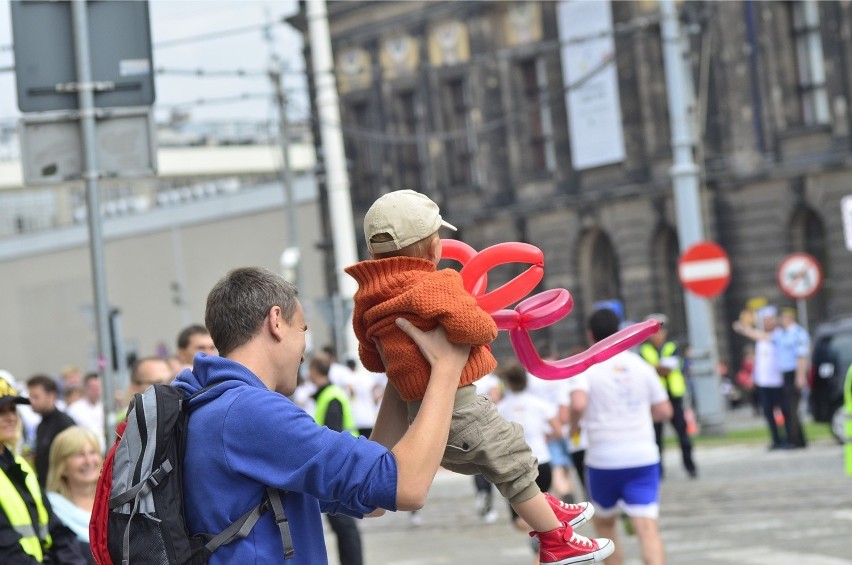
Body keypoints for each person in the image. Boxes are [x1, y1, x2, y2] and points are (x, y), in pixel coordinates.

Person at [344, 189, 612, 564]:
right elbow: (480, 330)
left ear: (373, 254)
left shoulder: (366, 300)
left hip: (420, 417)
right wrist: (464, 306)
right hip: (460, 406)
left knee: (503, 460)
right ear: (435, 249)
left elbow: (372, 359)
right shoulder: (438, 285)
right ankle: (555, 540)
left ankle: (548, 510)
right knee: (511, 459)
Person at [172, 266, 471, 564]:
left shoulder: (210, 404)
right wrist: (447, 367)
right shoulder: (248, 412)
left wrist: (397, 371)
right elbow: (408, 486)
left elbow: (375, 501)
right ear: (276, 321)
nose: (304, 354)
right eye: (303, 329)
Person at [568, 308, 673, 565]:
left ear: (590, 335)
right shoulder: (642, 366)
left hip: (603, 458)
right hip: (642, 456)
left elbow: (579, 404)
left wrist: (573, 427)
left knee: (605, 525)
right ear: (620, 331)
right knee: (647, 528)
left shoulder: (586, 367)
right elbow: (664, 410)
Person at [0, 376, 88, 564]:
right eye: (1, 411)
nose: (10, 417)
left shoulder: (19, 465)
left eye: (13, 409)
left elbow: (55, 527)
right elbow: (6, 551)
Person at [496, 363, 563, 563]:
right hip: (542, 462)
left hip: (516, 466)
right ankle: (545, 534)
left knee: (519, 520)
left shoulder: (500, 409)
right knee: (541, 507)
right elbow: (559, 432)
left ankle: (541, 539)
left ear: (507, 383)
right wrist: (546, 435)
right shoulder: (540, 404)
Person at [307, 354, 364, 565]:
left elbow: (334, 436)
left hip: (338, 467)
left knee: (344, 525)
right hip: (339, 465)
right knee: (342, 525)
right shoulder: (326, 394)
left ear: (314, 370)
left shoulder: (331, 396)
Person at [639, 314, 698, 479]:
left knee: (683, 435)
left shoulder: (673, 346)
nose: (657, 335)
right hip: (654, 399)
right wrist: (659, 368)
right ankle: (658, 472)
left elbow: (668, 368)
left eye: (659, 331)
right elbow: (654, 370)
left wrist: (655, 368)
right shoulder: (644, 350)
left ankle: (690, 466)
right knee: (656, 439)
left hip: (673, 395)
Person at [733, 306, 793, 449]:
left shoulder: (780, 335)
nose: (767, 323)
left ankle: (788, 438)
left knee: (784, 412)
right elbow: (759, 362)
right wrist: (754, 378)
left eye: (769, 320)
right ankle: (776, 440)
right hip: (764, 382)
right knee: (768, 413)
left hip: (777, 381)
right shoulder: (760, 340)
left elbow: (762, 336)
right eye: (764, 321)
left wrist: (744, 329)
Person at [45, 426, 102, 564]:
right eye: (79, 455)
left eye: (93, 452)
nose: (89, 461)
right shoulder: (51, 509)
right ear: (62, 466)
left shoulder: (115, 503)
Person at [26, 375, 76, 487]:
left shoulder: (65, 424)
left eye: (36, 397)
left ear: (52, 396)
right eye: (30, 397)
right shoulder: (41, 425)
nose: (31, 401)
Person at [775, 307, 810, 448]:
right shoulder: (783, 334)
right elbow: (767, 337)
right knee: (788, 408)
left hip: (794, 373)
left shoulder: (798, 334)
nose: (781, 320)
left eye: (783, 317)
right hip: (786, 374)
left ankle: (795, 440)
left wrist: (800, 376)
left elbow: (801, 357)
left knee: (792, 409)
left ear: (789, 318)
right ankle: (798, 439)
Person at [65, 373, 105, 454]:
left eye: (98, 388)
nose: (96, 391)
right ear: (85, 389)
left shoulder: (103, 408)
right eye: (93, 388)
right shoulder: (74, 409)